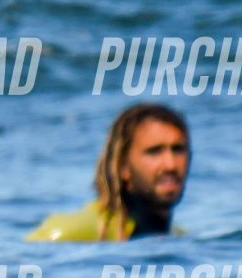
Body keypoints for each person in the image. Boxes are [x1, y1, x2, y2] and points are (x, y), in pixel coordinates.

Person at [26, 103, 189, 242]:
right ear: (123, 166)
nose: (171, 165)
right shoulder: (68, 232)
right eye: (154, 151)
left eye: (178, 149)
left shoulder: (178, 236)